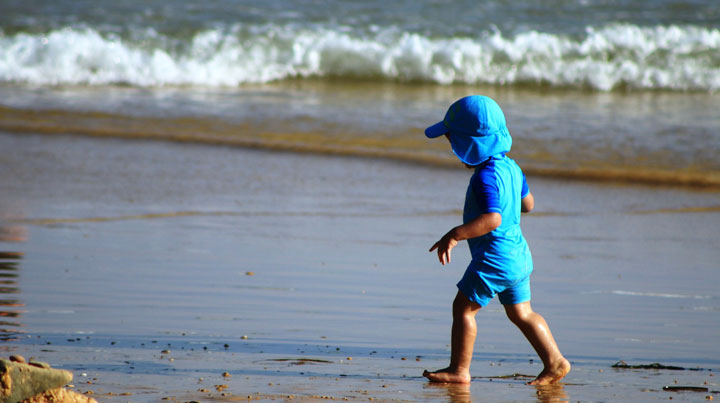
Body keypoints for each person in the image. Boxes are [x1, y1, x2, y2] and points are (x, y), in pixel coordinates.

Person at [421, 95, 570, 385]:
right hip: (519, 256)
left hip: (495, 259)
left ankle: (459, 370)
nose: (453, 148)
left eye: (453, 141)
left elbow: (493, 220)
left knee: (463, 308)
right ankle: (555, 361)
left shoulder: (484, 177)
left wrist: (455, 234)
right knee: (522, 313)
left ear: (468, 144)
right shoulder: (513, 169)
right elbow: (529, 204)